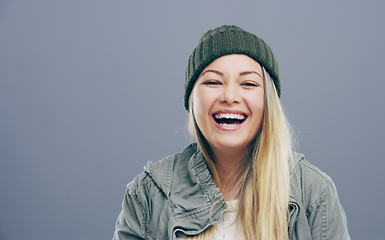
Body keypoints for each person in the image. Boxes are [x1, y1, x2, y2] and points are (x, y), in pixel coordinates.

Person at [113, 25, 350, 240]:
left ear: (269, 102)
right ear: (192, 101)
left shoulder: (313, 191)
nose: (230, 97)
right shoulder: (148, 193)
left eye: (248, 84)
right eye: (213, 82)